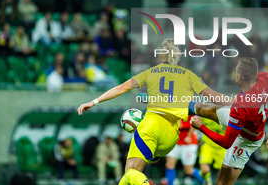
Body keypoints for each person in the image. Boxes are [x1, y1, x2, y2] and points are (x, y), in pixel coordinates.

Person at [77, 38, 230, 184]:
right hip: (171, 138)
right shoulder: (189, 75)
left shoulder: (150, 73)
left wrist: (94, 101)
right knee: (200, 108)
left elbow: (121, 88)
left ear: (161, 54)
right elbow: (214, 96)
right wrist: (239, 102)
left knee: (131, 172)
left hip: (151, 127)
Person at [190, 57, 268, 185]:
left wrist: (201, 127)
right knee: (204, 108)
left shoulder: (240, 107)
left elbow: (226, 142)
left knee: (222, 183)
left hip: (246, 141)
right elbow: (225, 100)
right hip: (244, 121)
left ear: (239, 77)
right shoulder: (266, 78)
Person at [165, 116, 204, 185]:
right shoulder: (173, 107)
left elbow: (195, 122)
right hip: (175, 140)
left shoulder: (189, 107)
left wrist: (189, 136)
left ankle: (204, 180)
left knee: (188, 170)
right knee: (169, 164)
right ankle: (170, 183)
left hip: (189, 142)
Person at [198, 118, 226, 185]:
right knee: (204, 170)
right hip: (208, 143)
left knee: (223, 173)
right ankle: (208, 181)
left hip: (222, 146)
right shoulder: (207, 111)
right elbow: (196, 121)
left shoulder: (227, 113)